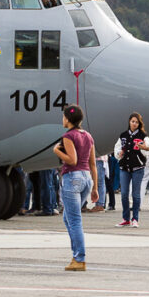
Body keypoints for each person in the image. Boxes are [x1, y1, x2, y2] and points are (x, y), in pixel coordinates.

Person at [53, 105, 97, 271]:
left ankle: (79, 258)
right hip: (86, 177)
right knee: (68, 218)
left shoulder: (68, 136)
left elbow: (71, 160)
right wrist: (95, 187)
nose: (63, 119)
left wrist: (57, 151)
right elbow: (93, 163)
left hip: (73, 177)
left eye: (64, 116)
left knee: (74, 219)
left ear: (68, 119)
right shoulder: (88, 136)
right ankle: (76, 255)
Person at [116, 112, 149, 228]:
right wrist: (119, 153)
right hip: (124, 168)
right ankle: (125, 218)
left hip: (138, 168)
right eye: (132, 121)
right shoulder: (123, 135)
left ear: (139, 123)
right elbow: (117, 148)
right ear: (129, 122)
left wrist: (143, 148)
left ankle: (135, 218)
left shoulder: (143, 136)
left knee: (135, 194)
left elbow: (148, 151)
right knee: (124, 194)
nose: (134, 124)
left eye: (136, 122)